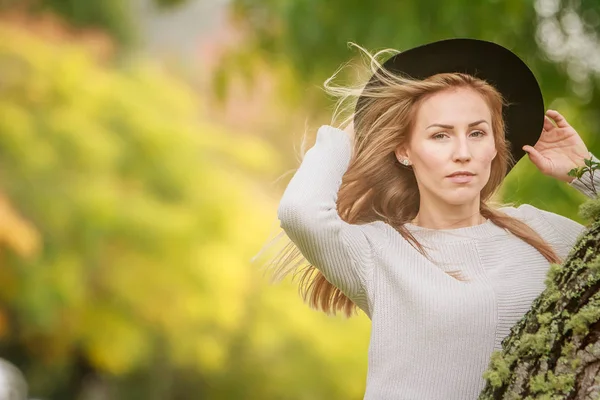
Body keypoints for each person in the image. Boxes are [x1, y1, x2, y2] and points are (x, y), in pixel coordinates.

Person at [272, 38, 599, 399]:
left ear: (495, 145)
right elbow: (298, 211)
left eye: (477, 133)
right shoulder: (377, 250)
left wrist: (586, 171)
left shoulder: (542, 231)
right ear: (405, 150)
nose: (463, 153)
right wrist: (362, 124)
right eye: (440, 135)